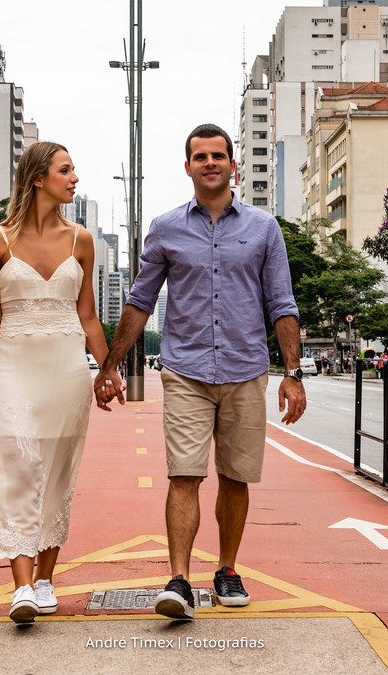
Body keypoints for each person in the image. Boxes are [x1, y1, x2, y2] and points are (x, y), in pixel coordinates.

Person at [94, 123, 306, 620]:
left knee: (236, 477)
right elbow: (140, 300)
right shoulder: (166, 228)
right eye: (200, 156)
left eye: (218, 155)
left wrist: (294, 373)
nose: (210, 163)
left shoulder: (264, 228)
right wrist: (109, 366)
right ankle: (179, 580)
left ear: (233, 166)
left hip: (247, 369)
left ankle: (227, 568)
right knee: (183, 475)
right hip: (186, 370)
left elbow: (282, 303)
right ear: (187, 167)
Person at [0, 141, 112, 625]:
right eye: (66, 170)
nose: (75, 178)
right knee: (15, 466)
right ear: (38, 178)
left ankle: (47, 578)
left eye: (74, 170)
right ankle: (22, 587)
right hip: (12, 366)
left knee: (56, 471)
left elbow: (89, 317)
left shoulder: (83, 241)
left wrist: (109, 370)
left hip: (68, 371)